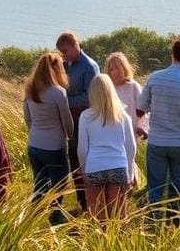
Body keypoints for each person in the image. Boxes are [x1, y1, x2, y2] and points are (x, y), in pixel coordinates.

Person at [136, 39, 180, 222]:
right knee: (179, 186)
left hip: (157, 140)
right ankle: (175, 220)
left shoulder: (155, 78)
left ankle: (155, 220)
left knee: (156, 186)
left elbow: (140, 108)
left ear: (172, 55)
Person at [77, 74, 137, 224]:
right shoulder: (123, 116)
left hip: (94, 166)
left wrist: (84, 170)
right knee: (119, 215)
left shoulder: (85, 116)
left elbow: (82, 149)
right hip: (118, 165)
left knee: (98, 217)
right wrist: (130, 171)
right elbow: (130, 146)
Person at [23, 51, 74, 220]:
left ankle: (35, 216)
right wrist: (70, 137)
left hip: (34, 144)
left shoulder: (30, 90)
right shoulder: (58, 92)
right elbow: (67, 121)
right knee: (60, 182)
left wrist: (36, 132)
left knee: (40, 183)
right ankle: (55, 214)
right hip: (54, 145)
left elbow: (28, 119)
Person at [56, 31, 99, 211]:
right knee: (73, 161)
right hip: (70, 119)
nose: (62, 56)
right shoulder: (66, 65)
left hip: (84, 119)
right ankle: (83, 202)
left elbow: (91, 97)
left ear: (75, 46)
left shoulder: (89, 66)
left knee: (83, 161)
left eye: (65, 51)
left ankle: (90, 203)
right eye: (60, 52)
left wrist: (63, 101)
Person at [105, 51, 147, 183]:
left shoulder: (133, 86)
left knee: (128, 157)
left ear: (123, 68)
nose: (113, 72)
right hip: (112, 130)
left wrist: (141, 127)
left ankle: (130, 185)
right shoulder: (107, 88)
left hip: (131, 130)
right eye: (110, 69)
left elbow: (143, 109)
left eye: (116, 68)